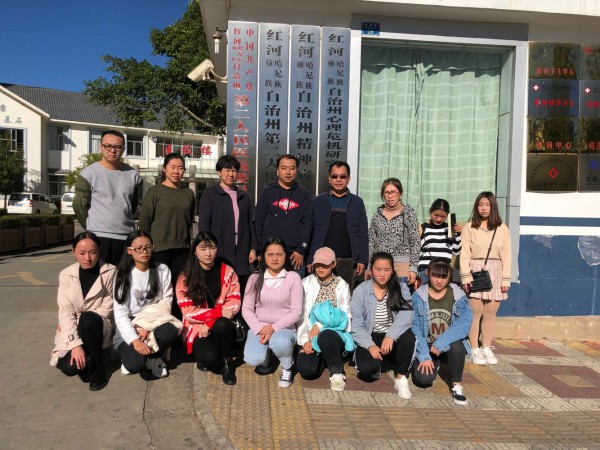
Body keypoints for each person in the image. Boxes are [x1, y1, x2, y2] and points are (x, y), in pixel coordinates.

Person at [50, 232, 116, 391]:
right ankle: (87, 357)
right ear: (74, 252)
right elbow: (65, 311)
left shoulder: (110, 271)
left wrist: (82, 320)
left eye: (92, 252)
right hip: (74, 326)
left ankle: (98, 369)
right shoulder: (66, 274)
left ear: (99, 251)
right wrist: (75, 345)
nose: (87, 258)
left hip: (99, 324)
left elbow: (107, 307)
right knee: (69, 368)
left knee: (88, 320)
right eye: (82, 253)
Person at [113, 231, 182, 378]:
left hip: (155, 319)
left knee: (170, 330)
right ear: (129, 251)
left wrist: (147, 326)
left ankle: (154, 357)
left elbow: (166, 300)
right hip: (131, 322)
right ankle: (137, 356)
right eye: (138, 248)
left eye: (148, 247)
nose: (144, 251)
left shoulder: (162, 269)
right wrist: (135, 340)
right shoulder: (123, 274)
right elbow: (120, 313)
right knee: (134, 365)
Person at [176, 232, 241, 385]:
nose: (208, 253)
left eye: (212, 248)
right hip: (197, 328)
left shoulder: (227, 271)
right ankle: (213, 358)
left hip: (219, 325)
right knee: (209, 358)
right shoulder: (185, 278)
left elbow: (234, 303)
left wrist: (210, 322)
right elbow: (188, 312)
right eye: (203, 248)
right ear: (195, 251)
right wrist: (218, 313)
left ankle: (226, 362)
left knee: (223, 324)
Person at [351, 252, 416, 399]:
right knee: (367, 370)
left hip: (392, 336)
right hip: (371, 336)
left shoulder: (401, 288)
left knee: (408, 337)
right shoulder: (360, 290)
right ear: (371, 269)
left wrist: (391, 335)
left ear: (392, 270)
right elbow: (356, 324)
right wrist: (370, 345)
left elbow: (407, 314)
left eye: (386, 270)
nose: (382, 274)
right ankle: (382, 362)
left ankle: (401, 377)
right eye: (378, 269)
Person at [73, 130, 143, 266]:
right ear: (101, 147)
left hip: (126, 237)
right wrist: (91, 227)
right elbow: (79, 205)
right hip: (98, 237)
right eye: (108, 146)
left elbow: (133, 204)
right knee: (100, 277)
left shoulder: (133, 175)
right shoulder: (88, 173)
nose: (112, 150)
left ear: (123, 149)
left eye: (117, 147)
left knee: (123, 277)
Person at [242, 237, 303, 388]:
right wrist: (260, 328)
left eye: (279, 254)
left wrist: (273, 328)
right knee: (252, 359)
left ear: (286, 256)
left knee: (280, 341)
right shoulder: (254, 278)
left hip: (284, 328)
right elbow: (247, 309)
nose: (275, 258)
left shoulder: (293, 278)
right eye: (270, 254)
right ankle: (267, 356)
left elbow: (296, 312)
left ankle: (287, 366)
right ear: (263, 256)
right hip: (260, 327)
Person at [460, 192, 511, 365]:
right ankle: (474, 348)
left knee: (490, 314)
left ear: (493, 206)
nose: (483, 208)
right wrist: (465, 277)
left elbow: (507, 255)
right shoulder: (470, 227)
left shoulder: (502, 229)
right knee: (475, 313)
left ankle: (486, 347)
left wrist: (506, 280)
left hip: (496, 270)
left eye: (487, 204)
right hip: (475, 271)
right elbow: (464, 254)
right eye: (480, 204)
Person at [411, 259, 473, 405]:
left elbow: (463, 324)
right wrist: (424, 354)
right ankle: (433, 362)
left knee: (458, 346)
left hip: (447, 344)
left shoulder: (458, 296)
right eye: (435, 275)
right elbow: (415, 327)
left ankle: (456, 385)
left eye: (444, 276)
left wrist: (441, 342)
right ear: (427, 273)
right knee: (423, 380)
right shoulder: (418, 296)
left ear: (450, 275)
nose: (439, 281)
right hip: (427, 346)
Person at [138, 153, 195, 298]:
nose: (176, 171)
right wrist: (146, 245)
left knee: (180, 288)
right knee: (159, 287)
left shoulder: (188, 193)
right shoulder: (154, 191)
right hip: (159, 249)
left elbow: (189, 220)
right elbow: (144, 221)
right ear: (164, 168)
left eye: (180, 168)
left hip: (182, 249)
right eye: (172, 167)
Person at [296, 247, 354, 392]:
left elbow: (344, 316)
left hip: (333, 334)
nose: (321, 268)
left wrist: (320, 325)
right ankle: (322, 358)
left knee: (326, 336)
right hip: (310, 335)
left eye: (325, 264)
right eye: (318, 264)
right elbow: (302, 315)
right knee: (306, 369)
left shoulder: (342, 285)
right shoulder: (305, 283)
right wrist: (305, 340)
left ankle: (337, 371)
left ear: (333, 264)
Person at [198, 155, 257, 294]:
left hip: (242, 248)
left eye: (234, 171)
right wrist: (207, 248)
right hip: (220, 247)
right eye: (227, 170)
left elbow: (251, 224)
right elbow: (204, 226)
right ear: (219, 172)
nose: (231, 174)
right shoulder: (210, 194)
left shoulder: (244, 197)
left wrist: (253, 249)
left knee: (241, 285)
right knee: (220, 284)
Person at [307, 161, 369, 290]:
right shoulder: (318, 202)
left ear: (348, 179)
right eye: (335, 176)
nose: (338, 180)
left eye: (342, 176)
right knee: (320, 297)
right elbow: (310, 232)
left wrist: (362, 260)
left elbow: (362, 234)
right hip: (322, 261)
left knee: (344, 297)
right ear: (329, 179)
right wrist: (309, 260)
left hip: (348, 262)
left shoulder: (357, 202)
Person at [254, 154, 313, 275]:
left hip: (294, 257)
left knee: (295, 287)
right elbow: (258, 223)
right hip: (270, 255)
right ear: (277, 171)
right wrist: (260, 250)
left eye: (292, 168)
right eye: (284, 168)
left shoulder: (304, 194)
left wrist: (301, 250)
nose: (288, 172)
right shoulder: (267, 192)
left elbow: (308, 224)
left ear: (297, 171)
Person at [367, 178, 420, 287]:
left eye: (393, 192)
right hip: (380, 267)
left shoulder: (409, 214)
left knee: (400, 296)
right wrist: (369, 266)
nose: (390, 196)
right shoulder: (377, 215)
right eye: (387, 192)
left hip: (401, 268)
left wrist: (413, 268)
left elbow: (415, 241)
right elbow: (371, 242)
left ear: (400, 193)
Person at [418, 198, 462, 284]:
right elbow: (418, 252)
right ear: (430, 212)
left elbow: (456, 252)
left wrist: (457, 235)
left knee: (453, 287)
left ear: (447, 215)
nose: (438, 219)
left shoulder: (449, 229)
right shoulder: (423, 228)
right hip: (426, 270)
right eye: (436, 215)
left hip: (444, 271)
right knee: (424, 292)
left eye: (443, 217)